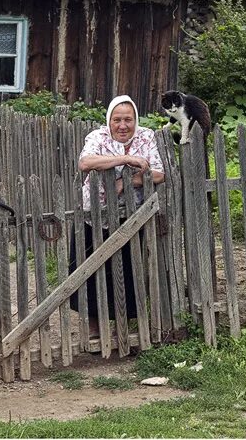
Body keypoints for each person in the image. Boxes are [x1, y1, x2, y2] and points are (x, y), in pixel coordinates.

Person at [72, 95, 165, 339]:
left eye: (128, 119)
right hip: (95, 213)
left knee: (124, 270)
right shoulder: (97, 137)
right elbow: (85, 163)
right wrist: (125, 159)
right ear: (109, 121)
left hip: (131, 216)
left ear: (135, 120)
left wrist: (127, 180)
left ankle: (119, 328)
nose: (123, 125)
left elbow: (158, 174)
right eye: (117, 120)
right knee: (91, 269)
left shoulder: (146, 136)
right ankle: (94, 328)